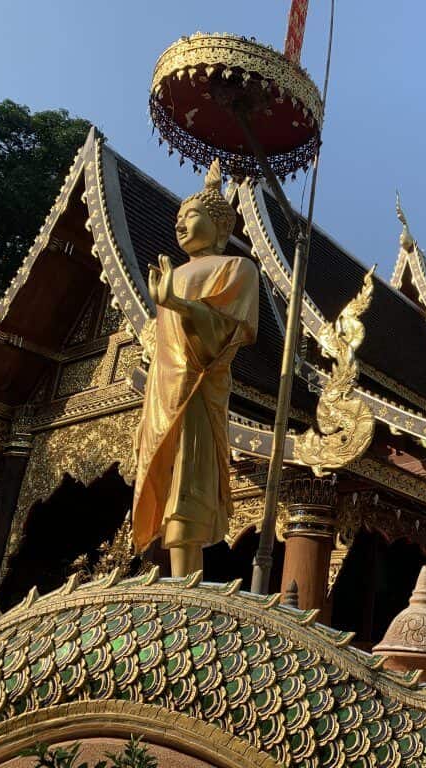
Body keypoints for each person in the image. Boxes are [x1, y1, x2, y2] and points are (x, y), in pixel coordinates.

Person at [132, 159, 259, 577]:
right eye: (179, 217)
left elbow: (223, 338)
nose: (181, 224)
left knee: (189, 488)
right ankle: (169, 581)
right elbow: (163, 347)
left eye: (192, 215)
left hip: (199, 388)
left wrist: (181, 305)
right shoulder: (175, 273)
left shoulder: (236, 269)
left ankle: (186, 586)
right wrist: (169, 303)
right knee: (162, 483)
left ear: (221, 227)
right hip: (163, 393)